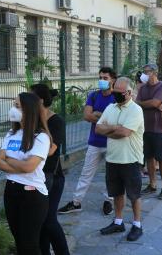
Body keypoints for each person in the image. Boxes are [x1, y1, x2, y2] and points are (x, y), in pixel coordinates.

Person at [0, 92, 51, 255]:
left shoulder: (41, 137)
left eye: (17, 106)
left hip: (32, 194)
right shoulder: (11, 134)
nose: (13, 109)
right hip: (11, 191)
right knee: (19, 242)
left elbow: (29, 167)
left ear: (29, 110)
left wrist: (9, 160)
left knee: (29, 245)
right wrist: (18, 165)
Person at [58, 67, 117, 215]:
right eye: (100, 77)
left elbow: (118, 121)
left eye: (105, 78)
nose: (102, 80)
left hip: (112, 142)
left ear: (113, 80)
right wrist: (105, 119)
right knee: (86, 173)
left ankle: (109, 200)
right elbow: (86, 116)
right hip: (95, 142)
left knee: (111, 174)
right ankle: (76, 202)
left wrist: (98, 115)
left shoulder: (117, 97)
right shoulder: (94, 96)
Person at [95, 77, 144, 242]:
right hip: (113, 158)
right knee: (116, 193)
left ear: (129, 93)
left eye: (119, 92)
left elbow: (125, 133)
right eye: (114, 91)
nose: (115, 95)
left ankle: (137, 225)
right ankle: (118, 221)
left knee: (134, 195)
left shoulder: (136, 110)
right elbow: (98, 128)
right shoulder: (111, 107)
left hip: (130, 159)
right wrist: (115, 128)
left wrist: (110, 130)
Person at [30, 84, 69, 255]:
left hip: (52, 177)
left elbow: (51, 150)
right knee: (40, 221)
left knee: (49, 220)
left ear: (39, 100)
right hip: (34, 176)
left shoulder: (56, 121)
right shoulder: (32, 121)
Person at [136, 64, 162, 200]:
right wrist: (149, 103)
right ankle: (152, 184)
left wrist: (146, 103)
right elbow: (136, 101)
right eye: (143, 72)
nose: (144, 74)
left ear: (154, 73)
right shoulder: (143, 88)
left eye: (147, 72)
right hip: (145, 127)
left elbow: (156, 103)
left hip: (159, 128)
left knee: (161, 159)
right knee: (149, 157)